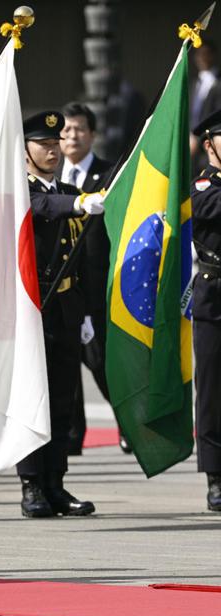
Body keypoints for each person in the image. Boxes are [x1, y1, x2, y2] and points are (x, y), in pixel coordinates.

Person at [18, 111, 102, 518]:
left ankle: (56, 482)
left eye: (55, 144)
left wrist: (84, 310)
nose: (52, 150)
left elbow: (80, 258)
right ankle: (31, 484)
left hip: (66, 309)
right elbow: (42, 206)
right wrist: (79, 202)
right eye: (43, 144)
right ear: (26, 150)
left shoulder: (69, 190)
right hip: (32, 309)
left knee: (62, 401)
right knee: (32, 401)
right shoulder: (21, 192)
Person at [59, 101, 118, 455]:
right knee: (65, 363)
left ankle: (127, 425)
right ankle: (71, 435)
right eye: (65, 130)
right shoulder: (50, 177)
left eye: (79, 129)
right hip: (62, 285)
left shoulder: (110, 174)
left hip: (96, 283)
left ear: (92, 135)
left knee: (100, 361)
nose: (71, 136)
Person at [190, 109, 221, 512]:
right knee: (213, 391)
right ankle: (216, 477)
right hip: (215, 296)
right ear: (211, 144)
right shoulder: (204, 184)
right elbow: (209, 207)